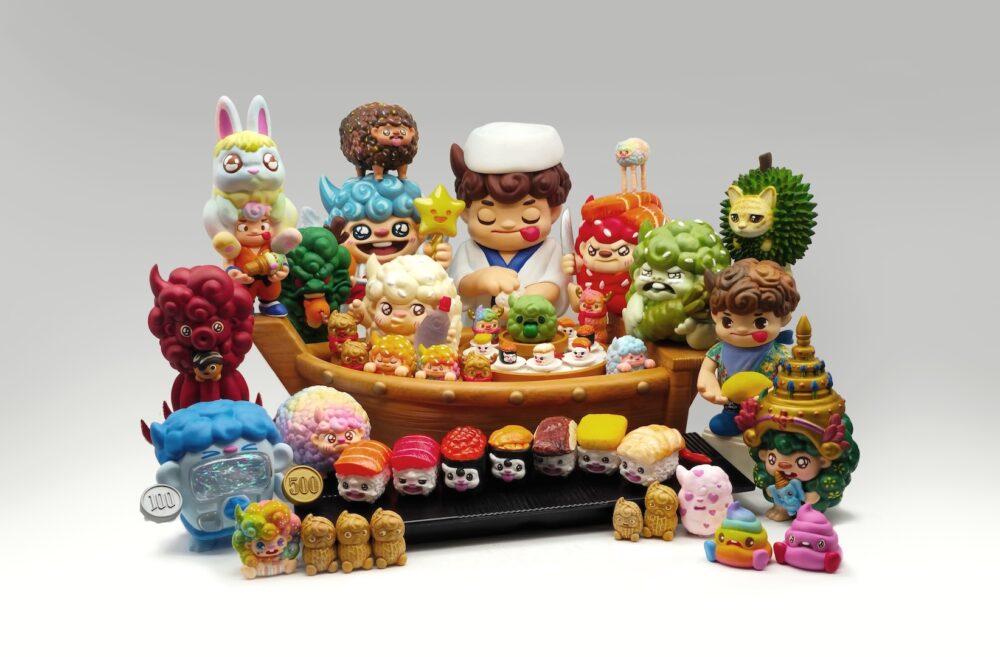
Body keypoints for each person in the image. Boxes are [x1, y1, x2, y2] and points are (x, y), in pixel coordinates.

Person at [449, 122, 572, 317]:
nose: (508, 224)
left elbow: (555, 286)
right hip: (477, 330)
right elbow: (457, 284)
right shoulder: (469, 250)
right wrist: (479, 280)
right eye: (487, 217)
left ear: (553, 212)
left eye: (529, 216)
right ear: (465, 212)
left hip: (532, 327)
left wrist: (524, 301)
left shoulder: (551, 250)